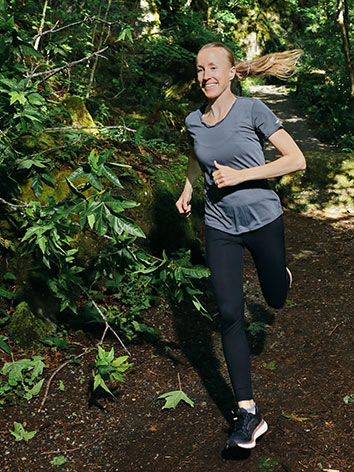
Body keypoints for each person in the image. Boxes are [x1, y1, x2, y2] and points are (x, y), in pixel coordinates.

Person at [176, 43, 306, 449]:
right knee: (230, 313)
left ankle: (279, 276)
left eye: (213, 67)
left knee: (275, 297)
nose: (206, 75)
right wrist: (187, 188)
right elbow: (198, 156)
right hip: (219, 226)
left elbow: (295, 159)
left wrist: (242, 175)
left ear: (232, 72)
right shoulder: (193, 120)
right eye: (200, 69)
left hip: (263, 218)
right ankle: (248, 413)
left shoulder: (253, 110)